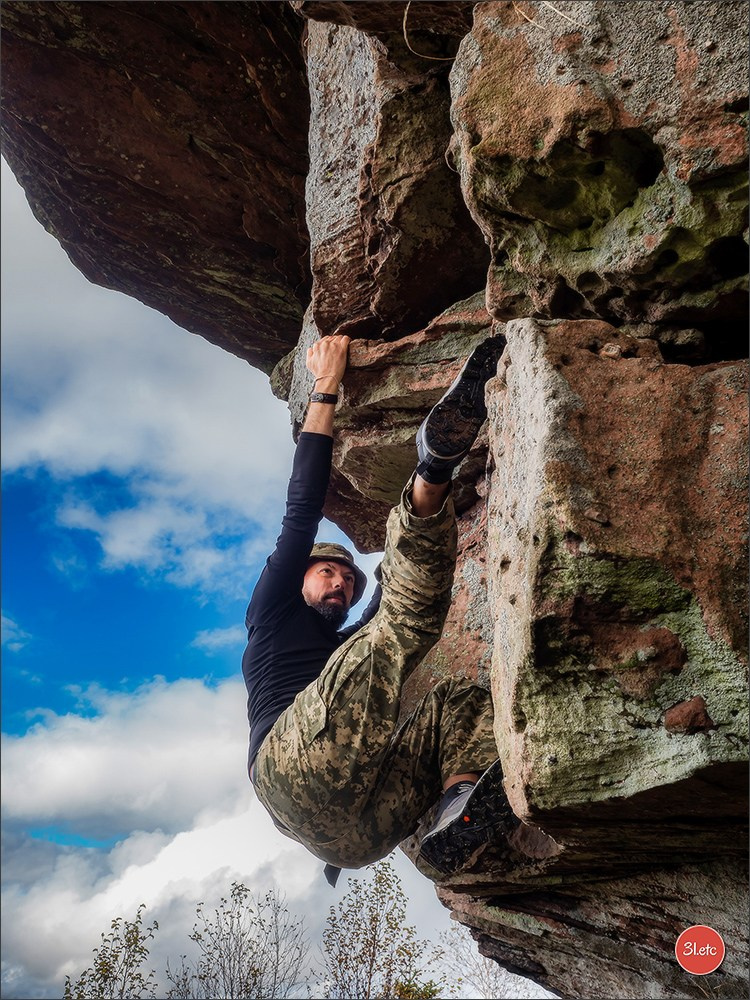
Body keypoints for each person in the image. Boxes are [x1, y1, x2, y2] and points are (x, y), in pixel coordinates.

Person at [242, 333, 509, 884]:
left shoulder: (345, 657)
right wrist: (326, 387)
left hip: (354, 839)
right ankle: (432, 474)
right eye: (327, 574)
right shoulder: (271, 613)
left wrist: (394, 564)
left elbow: (391, 598)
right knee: (403, 628)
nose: (340, 584)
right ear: (298, 579)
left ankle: (459, 801)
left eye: (347, 579)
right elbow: (301, 511)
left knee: (459, 701)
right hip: (284, 767)